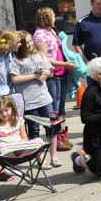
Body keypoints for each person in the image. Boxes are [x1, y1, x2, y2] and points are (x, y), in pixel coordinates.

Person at [10, 31, 59, 168]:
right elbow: (15, 79)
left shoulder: (39, 54)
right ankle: (40, 159)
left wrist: (43, 72)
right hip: (29, 101)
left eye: (31, 41)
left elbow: (50, 72)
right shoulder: (16, 60)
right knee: (34, 131)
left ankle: (53, 157)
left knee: (52, 127)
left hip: (45, 98)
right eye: (26, 42)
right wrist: (34, 76)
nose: (30, 44)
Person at [33, 8, 76, 152]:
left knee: (61, 107)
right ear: (46, 17)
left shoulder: (51, 31)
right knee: (54, 109)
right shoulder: (39, 35)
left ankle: (62, 135)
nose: (55, 18)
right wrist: (64, 64)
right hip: (52, 76)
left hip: (61, 73)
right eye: (52, 15)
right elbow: (44, 59)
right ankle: (54, 138)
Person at [0, 94, 45, 181]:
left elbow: (25, 138)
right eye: (0, 112)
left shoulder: (18, 121)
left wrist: (17, 144)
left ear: (12, 109)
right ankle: (2, 171)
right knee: (1, 148)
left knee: (40, 141)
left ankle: (40, 162)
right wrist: (8, 145)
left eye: (6, 110)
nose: (4, 114)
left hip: (20, 149)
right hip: (6, 152)